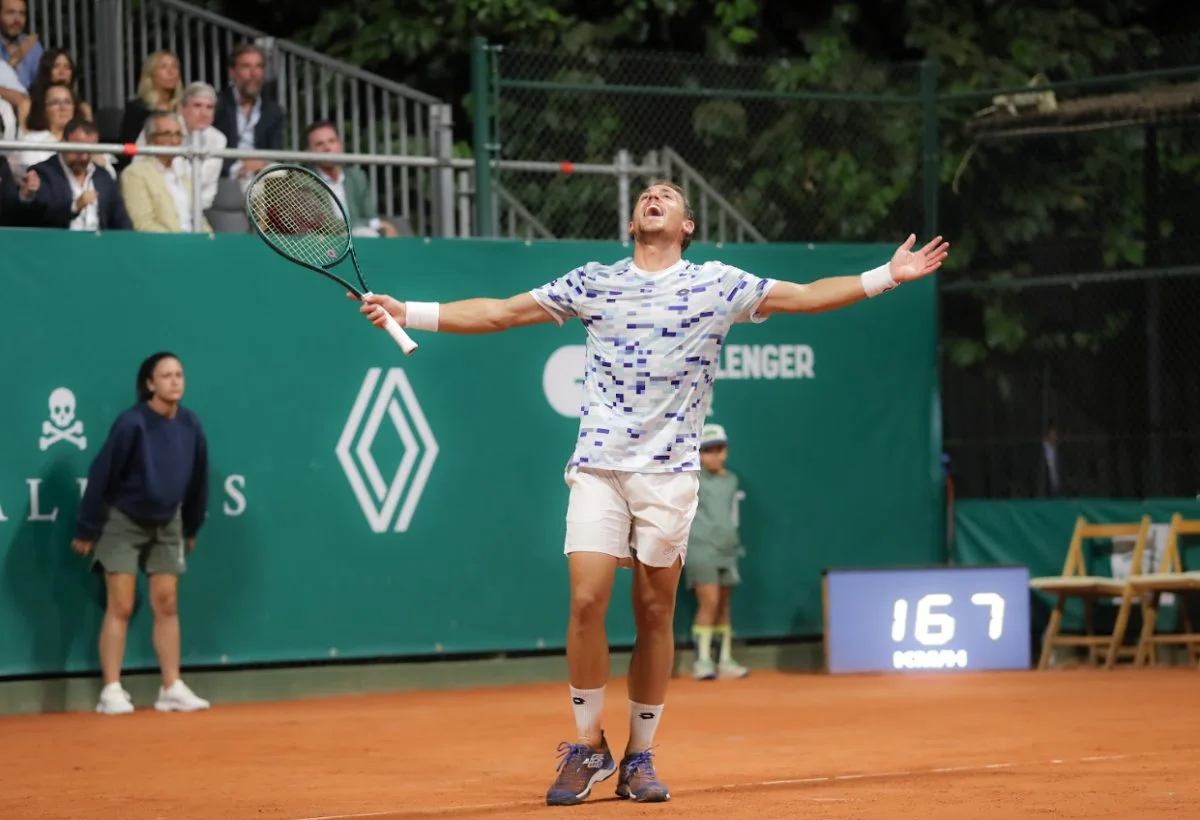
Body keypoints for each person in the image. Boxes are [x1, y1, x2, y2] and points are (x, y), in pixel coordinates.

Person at [353, 181, 949, 805]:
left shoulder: (717, 284)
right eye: (645, 194)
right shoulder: (594, 281)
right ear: (633, 223)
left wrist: (888, 275)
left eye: (668, 193)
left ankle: (639, 756)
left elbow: (805, 297)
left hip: (669, 474)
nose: (654, 196)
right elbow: (501, 312)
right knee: (586, 600)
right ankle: (588, 746)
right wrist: (408, 311)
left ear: (687, 225)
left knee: (655, 612)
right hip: (598, 466)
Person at [71, 352, 212, 716]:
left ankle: (171, 687)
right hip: (123, 521)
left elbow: (198, 479)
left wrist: (191, 525)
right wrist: (87, 527)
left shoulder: (191, 425)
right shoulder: (131, 423)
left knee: (167, 603)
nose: (175, 381)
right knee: (121, 604)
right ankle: (111, 690)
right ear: (150, 383)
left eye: (179, 374)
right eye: (166, 375)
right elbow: (102, 474)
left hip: (168, 523)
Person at [686, 423, 750, 681]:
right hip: (701, 549)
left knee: (724, 606)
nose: (714, 455)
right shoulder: (692, 479)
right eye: (707, 450)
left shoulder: (732, 480)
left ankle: (725, 660)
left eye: (719, 449)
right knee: (709, 602)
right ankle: (702, 661)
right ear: (699, 454)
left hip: (727, 550)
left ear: (726, 451)